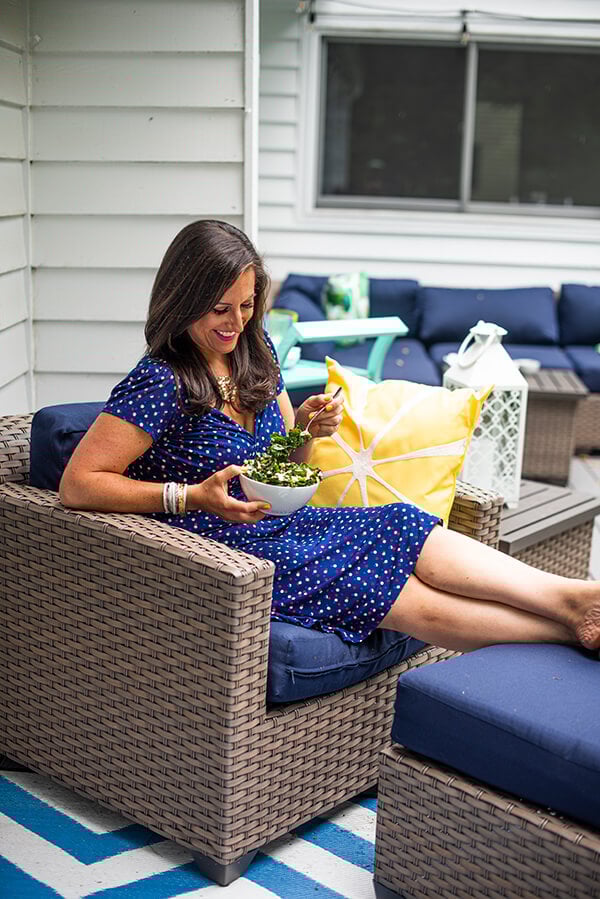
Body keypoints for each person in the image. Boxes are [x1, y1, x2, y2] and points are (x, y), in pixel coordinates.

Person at [59, 220, 600, 654]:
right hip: (224, 553)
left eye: (246, 306)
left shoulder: (255, 352)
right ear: (183, 298)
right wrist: (192, 496)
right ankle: (569, 631)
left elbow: (281, 464)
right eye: (220, 309)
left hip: (287, 523)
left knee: (401, 522)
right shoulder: (160, 381)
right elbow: (78, 484)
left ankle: (573, 599)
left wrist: (306, 430)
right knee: (391, 591)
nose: (235, 323)